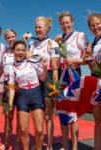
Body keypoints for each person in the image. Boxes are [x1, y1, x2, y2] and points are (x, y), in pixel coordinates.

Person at [24, 16, 59, 150]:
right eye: (36, 27)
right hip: (34, 79)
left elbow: (55, 68)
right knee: (37, 113)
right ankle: (39, 142)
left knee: (48, 115)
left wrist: (54, 88)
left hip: (48, 78)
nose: (37, 29)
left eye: (40, 27)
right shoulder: (31, 44)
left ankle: (49, 145)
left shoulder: (53, 44)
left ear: (47, 28)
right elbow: (27, 60)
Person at [55, 11, 88, 150]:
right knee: (63, 111)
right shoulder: (59, 39)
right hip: (63, 76)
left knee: (73, 113)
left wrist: (74, 60)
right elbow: (56, 61)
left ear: (72, 22)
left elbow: (87, 59)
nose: (65, 25)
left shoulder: (80, 36)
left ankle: (74, 147)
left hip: (74, 74)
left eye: (67, 22)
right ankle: (65, 145)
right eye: (62, 23)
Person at [7, 40, 48, 150]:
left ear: (26, 52)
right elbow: (11, 87)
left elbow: (43, 78)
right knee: (23, 131)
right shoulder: (11, 67)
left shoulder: (32, 61)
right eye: (18, 50)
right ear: (13, 51)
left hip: (36, 96)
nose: (20, 52)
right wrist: (10, 103)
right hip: (22, 98)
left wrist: (44, 67)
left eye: (22, 50)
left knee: (39, 130)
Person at [0, 29, 20, 150]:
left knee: (20, 116)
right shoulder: (4, 53)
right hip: (8, 86)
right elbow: (0, 70)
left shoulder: (22, 50)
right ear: (6, 39)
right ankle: (7, 141)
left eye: (12, 36)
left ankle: (17, 142)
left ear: (16, 36)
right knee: (8, 115)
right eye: (8, 37)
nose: (11, 39)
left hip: (20, 86)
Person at [87, 13, 101, 150]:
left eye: (98, 23)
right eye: (92, 25)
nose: (95, 27)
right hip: (96, 81)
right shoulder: (94, 43)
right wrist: (89, 59)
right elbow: (93, 67)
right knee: (98, 119)